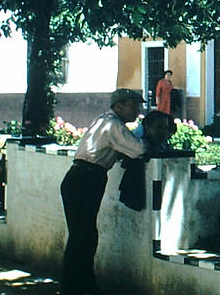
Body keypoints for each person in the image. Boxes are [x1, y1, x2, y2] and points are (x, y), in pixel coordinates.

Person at [60, 88, 149, 294]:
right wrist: (147, 137)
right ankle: (74, 288)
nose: (137, 110)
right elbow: (137, 149)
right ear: (118, 106)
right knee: (82, 238)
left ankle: (84, 285)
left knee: (84, 236)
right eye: (133, 105)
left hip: (81, 178)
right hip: (87, 179)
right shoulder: (113, 125)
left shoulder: (103, 120)